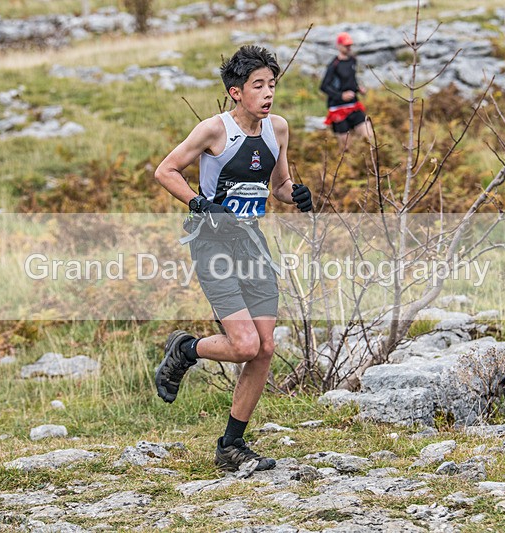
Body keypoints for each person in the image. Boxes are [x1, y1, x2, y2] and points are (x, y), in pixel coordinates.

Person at [153, 45, 313, 472]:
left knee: (263, 350)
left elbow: (279, 185)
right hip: (213, 245)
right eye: (258, 86)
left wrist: (295, 195)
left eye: (272, 85)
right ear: (236, 92)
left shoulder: (277, 129)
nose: (268, 93)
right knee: (244, 345)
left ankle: (231, 446)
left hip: (253, 245)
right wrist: (198, 203)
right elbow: (165, 170)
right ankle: (186, 349)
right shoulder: (213, 131)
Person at [320, 31, 370, 150]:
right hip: (337, 108)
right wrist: (341, 96)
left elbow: (350, 81)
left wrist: (358, 89)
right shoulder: (334, 65)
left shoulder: (353, 60)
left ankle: (367, 163)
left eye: (350, 45)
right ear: (338, 46)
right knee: (346, 148)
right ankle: (346, 166)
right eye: (346, 45)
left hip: (353, 105)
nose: (348, 48)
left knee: (369, 137)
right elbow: (324, 86)